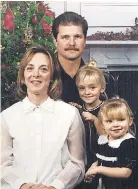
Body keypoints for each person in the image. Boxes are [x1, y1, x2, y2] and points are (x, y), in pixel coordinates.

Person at [0, 46, 86, 189]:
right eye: (30, 68)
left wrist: (55, 186)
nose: (36, 74)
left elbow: (77, 163)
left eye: (43, 69)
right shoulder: (7, 117)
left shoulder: (69, 114)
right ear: (22, 76)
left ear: (52, 76)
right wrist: (21, 185)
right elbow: (2, 164)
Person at [85, 98, 137, 189]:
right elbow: (99, 159)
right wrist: (91, 170)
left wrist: (99, 169)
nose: (115, 125)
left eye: (121, 120)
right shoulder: (102, 140)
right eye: (109, 121)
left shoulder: (129, 143)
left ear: (130, 121)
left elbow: (126, 172)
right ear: (102, 124)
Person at [72, 62, 107, 189]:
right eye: (82, 88)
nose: (87, 92)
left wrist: (95, 120)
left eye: (92, 88)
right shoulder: (76, 109)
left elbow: (111, 138)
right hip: (81, 159)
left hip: (102, 160)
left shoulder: (108, 108)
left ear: (102, 88)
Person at [52, 11, 88, 104]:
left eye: (77, 37)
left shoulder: (97, 77)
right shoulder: (45, 76)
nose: (72, 43)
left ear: (85, 41)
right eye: (65, 37)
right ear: (55, 41)